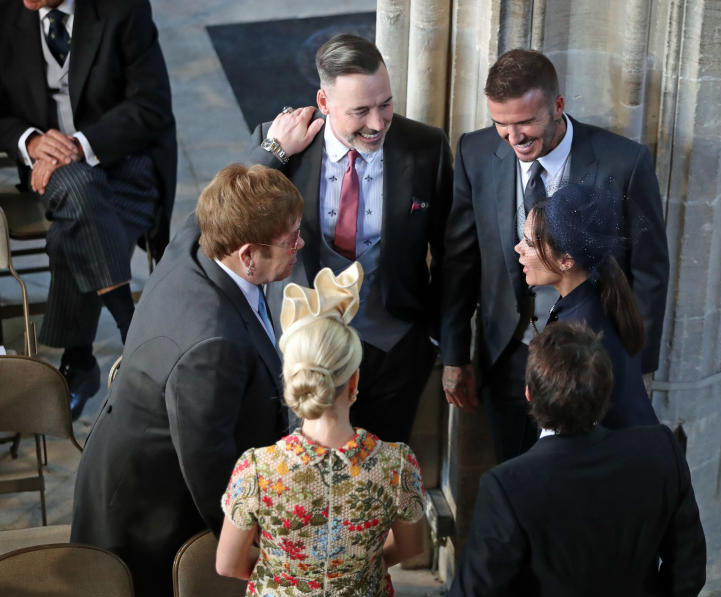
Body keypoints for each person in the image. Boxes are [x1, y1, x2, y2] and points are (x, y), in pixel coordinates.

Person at [71, 164, 302, 597]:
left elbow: (214, 207)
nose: (299, 244)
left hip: (137, 466)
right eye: (290, 239)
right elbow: (208, 465)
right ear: (247, 255)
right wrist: (252, 549)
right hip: (158, 519)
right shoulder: (213, 343)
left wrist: (271, 153)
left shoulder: (196, 244)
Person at [413, 322, 706, 597]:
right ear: (606, 391)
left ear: (529, 395)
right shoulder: (660, 451)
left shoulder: (510, 485)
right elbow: (688, 568)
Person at [440, 48, 668, 461]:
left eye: (526, 122)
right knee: (515, 470)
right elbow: (460, 261)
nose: (514, 138)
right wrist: (455, 356)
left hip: (592, 359)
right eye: (501, 124)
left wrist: (640, 366)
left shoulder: (625, 162)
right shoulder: (474, 153)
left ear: (558, 106)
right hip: (505, 356)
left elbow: (649, 272)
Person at [216, 262, 427, 597]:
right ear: (353, 381)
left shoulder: (258, 469)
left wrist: (288, 573)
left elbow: (228, 564)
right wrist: (356, 566)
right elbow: (411, 546)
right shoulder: (395, 465)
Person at [247, 33, 453, 444]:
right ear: (324, 103)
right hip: (302, 352)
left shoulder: (426, 147)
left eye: (386, 104)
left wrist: (436, 338)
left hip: (394, 353)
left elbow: (451, 252)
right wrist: (272, 153)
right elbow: (231, 220)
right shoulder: (283, 144)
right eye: (360, 111)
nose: (377, 123)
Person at [0, 0, 177, 419]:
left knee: (72, 227)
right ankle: (132, 330)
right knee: (79, 190)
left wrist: (79, 145)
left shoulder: (123, 8)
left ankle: (79, 358)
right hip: (52, 171)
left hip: (124, 162)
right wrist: (29, 141)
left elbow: (150, 105)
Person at [516, 183, 658, 428]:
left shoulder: (581, 332)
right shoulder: (597, 294)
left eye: (529, 243)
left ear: (566, 261)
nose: (518, 248)